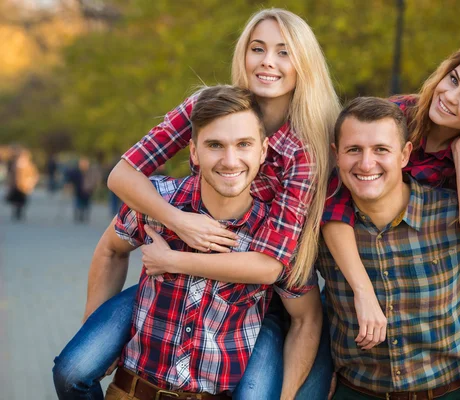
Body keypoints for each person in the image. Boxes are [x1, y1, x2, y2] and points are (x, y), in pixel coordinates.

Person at [53, 8, 339, 400]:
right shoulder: (208, 106)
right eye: (257, 48)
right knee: (75, 368)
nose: (267, 61)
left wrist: (173, 260)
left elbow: (271, 266)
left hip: (256, 293)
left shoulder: (303, 149)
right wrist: (180, 222)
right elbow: (122, 175)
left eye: (284, 52)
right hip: (179, 278)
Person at [321, 43, 460, 399]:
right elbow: (334, 207)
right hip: (360, 264)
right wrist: (363, 291)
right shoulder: (397, 118)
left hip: (434, 277)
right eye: (452, 80)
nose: (449, 97)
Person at [89, 85, 321, 399]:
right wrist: (95, 337)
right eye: (215, 145)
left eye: (243, 145)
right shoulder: (158, 203)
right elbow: (110, 250)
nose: (229, 160)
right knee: (70, 371)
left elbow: (306, 316)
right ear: (194, 152)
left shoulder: (274, 236)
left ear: (263, 151)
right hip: (133, 390)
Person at [5, 146, 39, 221]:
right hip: (15, 186)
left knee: (22, 201)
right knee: (15, 200)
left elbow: (34, 175)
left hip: (24, 186)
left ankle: (20, 212)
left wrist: (30, 183)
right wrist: (9, 184)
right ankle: (16, 212)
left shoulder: (29, 165)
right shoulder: (13, 164)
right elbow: (10, 175)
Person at [66, 157, 102, 223]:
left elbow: (94, 180)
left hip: (88, 191)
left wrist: (95, 186)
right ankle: (79, 215)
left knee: (86, 204)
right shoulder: (76, 172)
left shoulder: (90, 172)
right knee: (78, 204)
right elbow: (71, 180)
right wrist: (69, 186)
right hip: (78, 191)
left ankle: (85, 216)